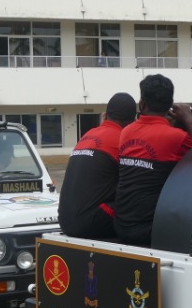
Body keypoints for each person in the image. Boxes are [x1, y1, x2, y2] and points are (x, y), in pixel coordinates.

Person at [113, 75, 192, 246]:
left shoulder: (126, 132)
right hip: (151, 229)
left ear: (142, 104)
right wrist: (189, 122)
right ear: (170, 105)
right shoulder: (178, 137)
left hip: (121, 225)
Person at [57, 92, 137, 239]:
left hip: (65, 221)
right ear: (133, 121)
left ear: (105, 115)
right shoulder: (124, 139)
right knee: (141, 203)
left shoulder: (87, 135)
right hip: (90, 223)